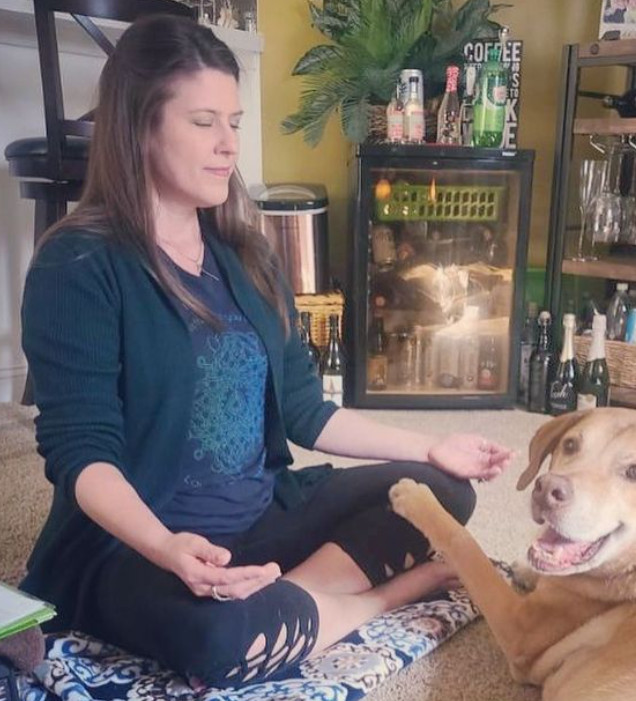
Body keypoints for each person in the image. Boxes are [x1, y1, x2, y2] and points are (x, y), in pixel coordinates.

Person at [20, 13, 514, 691]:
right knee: (222, 640)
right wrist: (166, 547)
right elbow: (83, 454)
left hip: (262, 518)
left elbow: (309, 412)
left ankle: (291, 599)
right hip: (141, 545)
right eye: (203, 122)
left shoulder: (245, 256)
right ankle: (380, 597)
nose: (228, 145)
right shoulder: (77, 265)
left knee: (437, 492)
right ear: (139, 126)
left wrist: (431, 446)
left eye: (234, 121)